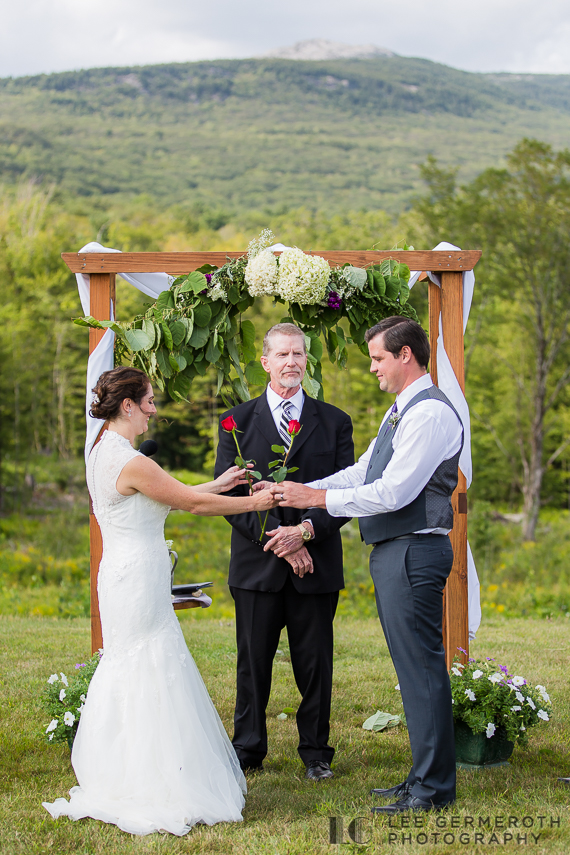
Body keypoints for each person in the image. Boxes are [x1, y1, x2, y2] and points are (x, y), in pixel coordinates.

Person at [43, 366, 278, 836]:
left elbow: (167, 497)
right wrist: (255, 503)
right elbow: (191, 505)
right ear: (128, 405)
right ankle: (156, 782)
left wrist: (222, 483)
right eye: (149, 400)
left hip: (123, 575)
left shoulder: (104, 451)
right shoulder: (132, 461)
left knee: (131, 663)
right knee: (149, 664)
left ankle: (128, 771)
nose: (154, 408)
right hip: (137, 577)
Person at [271, 317, 463, 812]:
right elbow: (365, 471)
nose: (373, 367)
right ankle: (424, 776)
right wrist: (306, 491)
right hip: (396, 551)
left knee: (421, 669)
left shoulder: (428, 414)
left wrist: (315, 497)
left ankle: (433, 788)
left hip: (414, 551)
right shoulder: (400, 411)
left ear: (405, 356)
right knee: (413, 668)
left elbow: (393, 491)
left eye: (378, 358)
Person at [214, 323, 354, 781]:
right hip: (257, 566)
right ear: (265, 361)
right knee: (251, 662)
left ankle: (316, 753)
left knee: (315, 664)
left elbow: (348, 494)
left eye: (299, 354)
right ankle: (248, 749)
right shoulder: (235, 423)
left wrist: (306, 533)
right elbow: (228, 498)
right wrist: (280, 539)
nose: (292, 362)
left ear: (305, 361)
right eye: (283, 354)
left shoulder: (334, 422)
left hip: (317, 563)